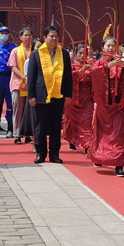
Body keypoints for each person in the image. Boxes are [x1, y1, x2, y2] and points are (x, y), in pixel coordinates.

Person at [26, 26, 74, 164]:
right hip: (41, 95)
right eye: (51, 36)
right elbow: (32, 76)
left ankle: (54, 154)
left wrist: (68, 95)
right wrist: (31, 95)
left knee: (55, 126)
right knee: (40, 125)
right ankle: (40, 153)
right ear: (45, 37)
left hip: (58, 95)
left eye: (56, 36)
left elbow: (68, 76)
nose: (54, 39)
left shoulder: (63, 54)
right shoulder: (36, 54)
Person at [89, 36, 124, 176]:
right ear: (103, 48)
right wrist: (108, 66)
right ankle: (99, 157)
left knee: (118, 134)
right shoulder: (99, 64)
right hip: (103, 105)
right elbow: (94, 74)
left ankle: (118, 164)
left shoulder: (121, 62)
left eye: (113, 46)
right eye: (107, 46)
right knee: (101, 133)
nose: (110, 48)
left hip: (118, 104)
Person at [63, 44, 94, 152]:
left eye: (84, 53)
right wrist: (79, 72)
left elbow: (98, 79)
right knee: (73, 122)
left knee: (86, 122)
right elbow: (67, 78)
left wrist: (93, 70)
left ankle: (87, 145)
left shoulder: (91, 66)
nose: (82, 56)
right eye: (80, 53)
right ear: (76, 54)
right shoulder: (72, 66)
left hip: (87, 99)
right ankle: (73, 140)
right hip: (74, 99)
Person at [8, 27, 33, 144]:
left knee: (29, 111)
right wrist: (24, 77)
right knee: (17, 110)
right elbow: (13, 66)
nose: (28, 37)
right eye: (25, 35)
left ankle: (28, 134)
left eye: (29, 35)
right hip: (17, 84)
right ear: (20, 37)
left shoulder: (35, 51)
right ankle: (17, 134)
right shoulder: (15, 51)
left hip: (31, 85)